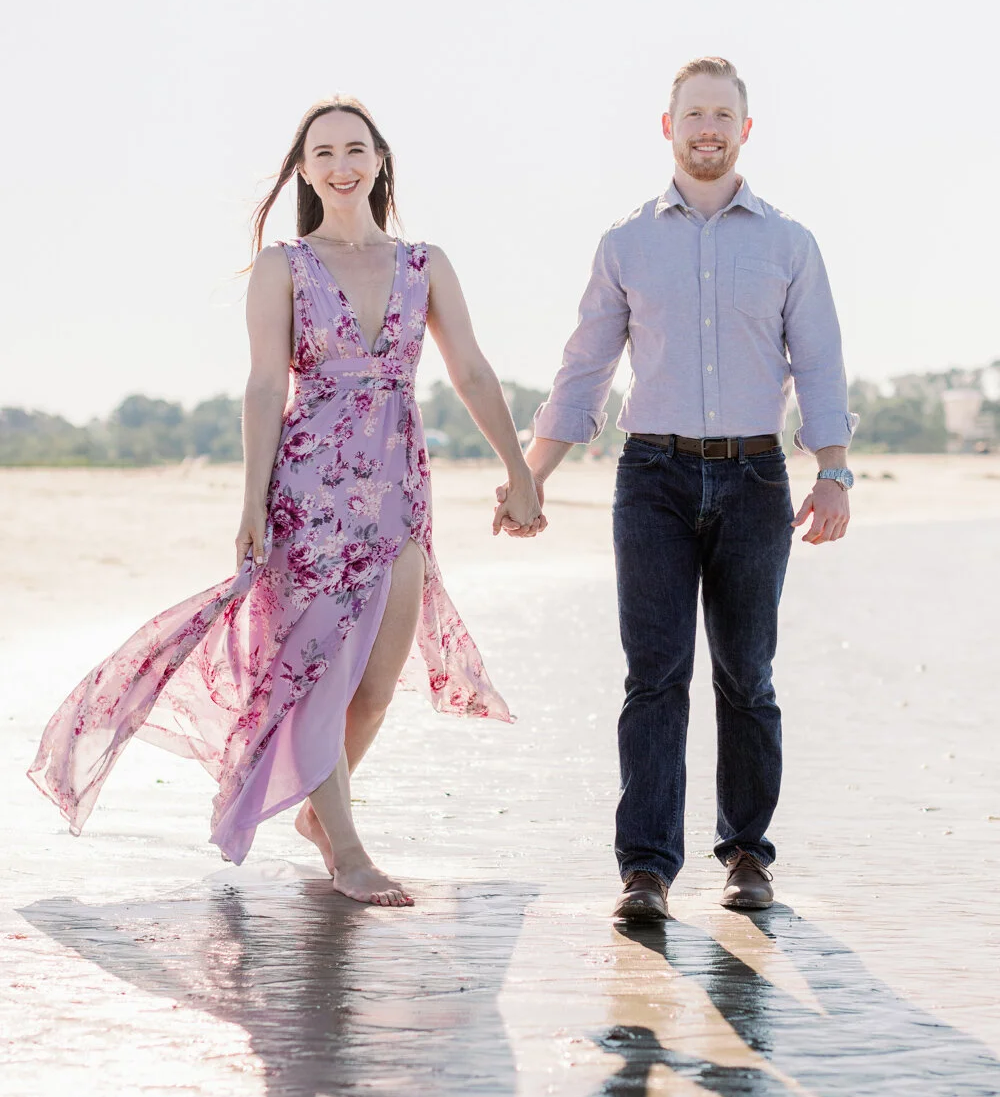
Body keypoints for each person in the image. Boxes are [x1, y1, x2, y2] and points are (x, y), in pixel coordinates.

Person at [29, 94, 544, 907]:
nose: (341, 166)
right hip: (308, 489)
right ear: (304, 171)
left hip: (400, 488)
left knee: (375, 685)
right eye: (324, 153)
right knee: (316, 676)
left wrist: (518, 468)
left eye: (355, 150)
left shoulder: (425, 264)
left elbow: (472, 371)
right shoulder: (284, 267)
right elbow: (266, 384)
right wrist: (250, 503)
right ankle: (347, 848)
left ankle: (316, 814)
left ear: (379, 162)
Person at [510, 57, 856, 921]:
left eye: (723, 115)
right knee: (654, 677)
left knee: (749, 676)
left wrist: (836, 471)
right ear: (668, 128)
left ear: (746, 130)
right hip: (653, 478)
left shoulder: (789, 243)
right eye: (693, 114)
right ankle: (647, 871)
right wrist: (532, 476)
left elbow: (819, 365)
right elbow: (584, 367)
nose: (708, 128)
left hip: (754, 479)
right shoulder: (626, 243)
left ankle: (745, 855)